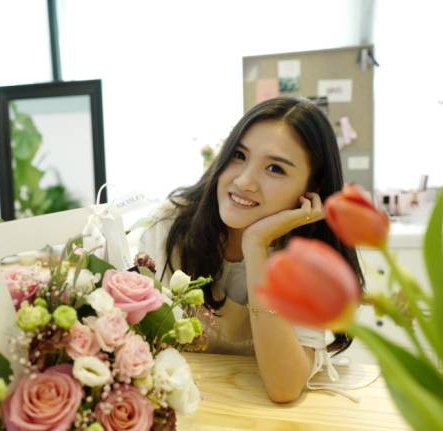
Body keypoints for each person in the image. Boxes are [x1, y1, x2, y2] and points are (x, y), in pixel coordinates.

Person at [139, 97, 364, 403]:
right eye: (239, 155)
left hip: (259, 414)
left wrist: (256, 245)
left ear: (311, 189)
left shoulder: (308, 259)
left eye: (274, 168)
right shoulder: (169, 228)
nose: (244, 181)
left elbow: (284, 386)